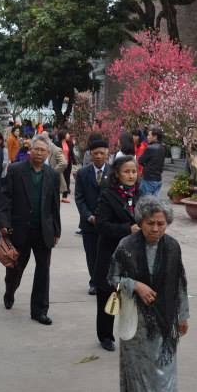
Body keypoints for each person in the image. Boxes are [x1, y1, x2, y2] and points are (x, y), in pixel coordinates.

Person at [109, 196, 188, 392]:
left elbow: (180, 283)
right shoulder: (126, 246)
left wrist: (183, 315)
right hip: (136, 322)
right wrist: (135, 285)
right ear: (141, 222)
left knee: (163, 375)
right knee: (137, 371)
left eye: (160, 224)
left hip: (164, 321)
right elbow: (112, 278)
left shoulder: (172, 247)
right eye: (150, 223)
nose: (155, 229)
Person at [0, 137, 61, 325]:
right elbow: (5, 198)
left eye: (43, 150)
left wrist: (56, 229)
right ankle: (10, 291)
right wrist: (3, 223)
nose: (39, 153)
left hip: (43, 230)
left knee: (43, 271)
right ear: (30, 150)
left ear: (48, 153)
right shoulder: (16, 170)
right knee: (15, 269)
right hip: (19, 229)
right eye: (36, 149)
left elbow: (54, 204)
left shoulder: (52, 175)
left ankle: (39, 310)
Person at [93, 154, 140, 352]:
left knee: (132, 297)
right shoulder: (108, 195)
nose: (131, 175)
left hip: (135, 255)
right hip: (111, 253)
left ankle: (132, 334)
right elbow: (101, 225)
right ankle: (105, 336)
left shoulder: (141, 194)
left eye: (134, 171)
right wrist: (127, 229)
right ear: (117, 174)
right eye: (126, 172)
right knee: (108, 294)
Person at [75, 138, 110, 296]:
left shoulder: (114, 172)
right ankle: (94, 282)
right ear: (90, 154)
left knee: (106, 253)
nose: (98, 156)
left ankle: (106, 280)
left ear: (107, 154)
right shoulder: (83, 173)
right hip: (89, 223)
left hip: (108, 223)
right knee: (91, 254)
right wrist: (89, 216)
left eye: (102, 153)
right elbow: (79, 198)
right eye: (95, 153)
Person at [137, 128, 166, 197]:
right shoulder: (162, 148)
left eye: (149, 135)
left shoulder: (150, 148)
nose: (147, 137)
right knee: (155, 200)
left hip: (148, 179)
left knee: (145, 200)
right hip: (158, 178)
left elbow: (140, 161)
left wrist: (145, 164)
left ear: (155, 136)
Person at [58, 129, 77, 202]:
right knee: (58, 178)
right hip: (60, 164)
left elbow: (71, 153)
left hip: (68, 163)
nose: (68, 135)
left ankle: (65, 195)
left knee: (67, 178)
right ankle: (57, 193)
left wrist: (74, 161)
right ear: (63, 135)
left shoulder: (70, 143)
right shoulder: (57, 143)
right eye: (67, 134)